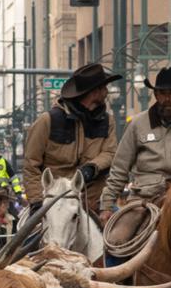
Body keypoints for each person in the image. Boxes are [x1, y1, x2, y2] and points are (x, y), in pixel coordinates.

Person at [99, 67, 171, 223]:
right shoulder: (137, 124)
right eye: (162, 94)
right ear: (156, 95)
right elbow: (120, 167)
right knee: (118, 239)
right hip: (143, 201)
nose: (167, 98)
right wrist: (107, 204)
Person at [24, 63, 120, 213]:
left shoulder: (108, 122)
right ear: (94, 92)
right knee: (29, 235)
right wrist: (37, 202)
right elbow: (31, 165)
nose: (107, 92)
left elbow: (111, 153)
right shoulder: (47, 121)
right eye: (104, 87)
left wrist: (92, 167)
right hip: (53, 204)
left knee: (122, 234)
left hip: (94, 203)